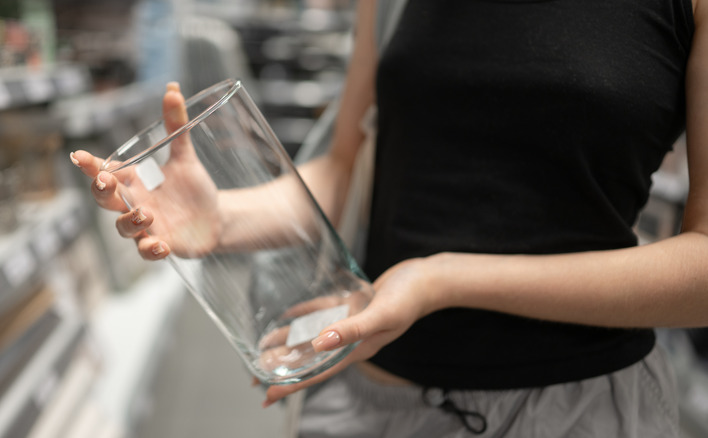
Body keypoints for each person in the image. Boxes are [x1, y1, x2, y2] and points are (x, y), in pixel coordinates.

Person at [71, 0, 708, 436]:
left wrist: (443, 281)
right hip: (371, 403)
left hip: (582, 409)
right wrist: (222, 217)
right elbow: (344, 167)